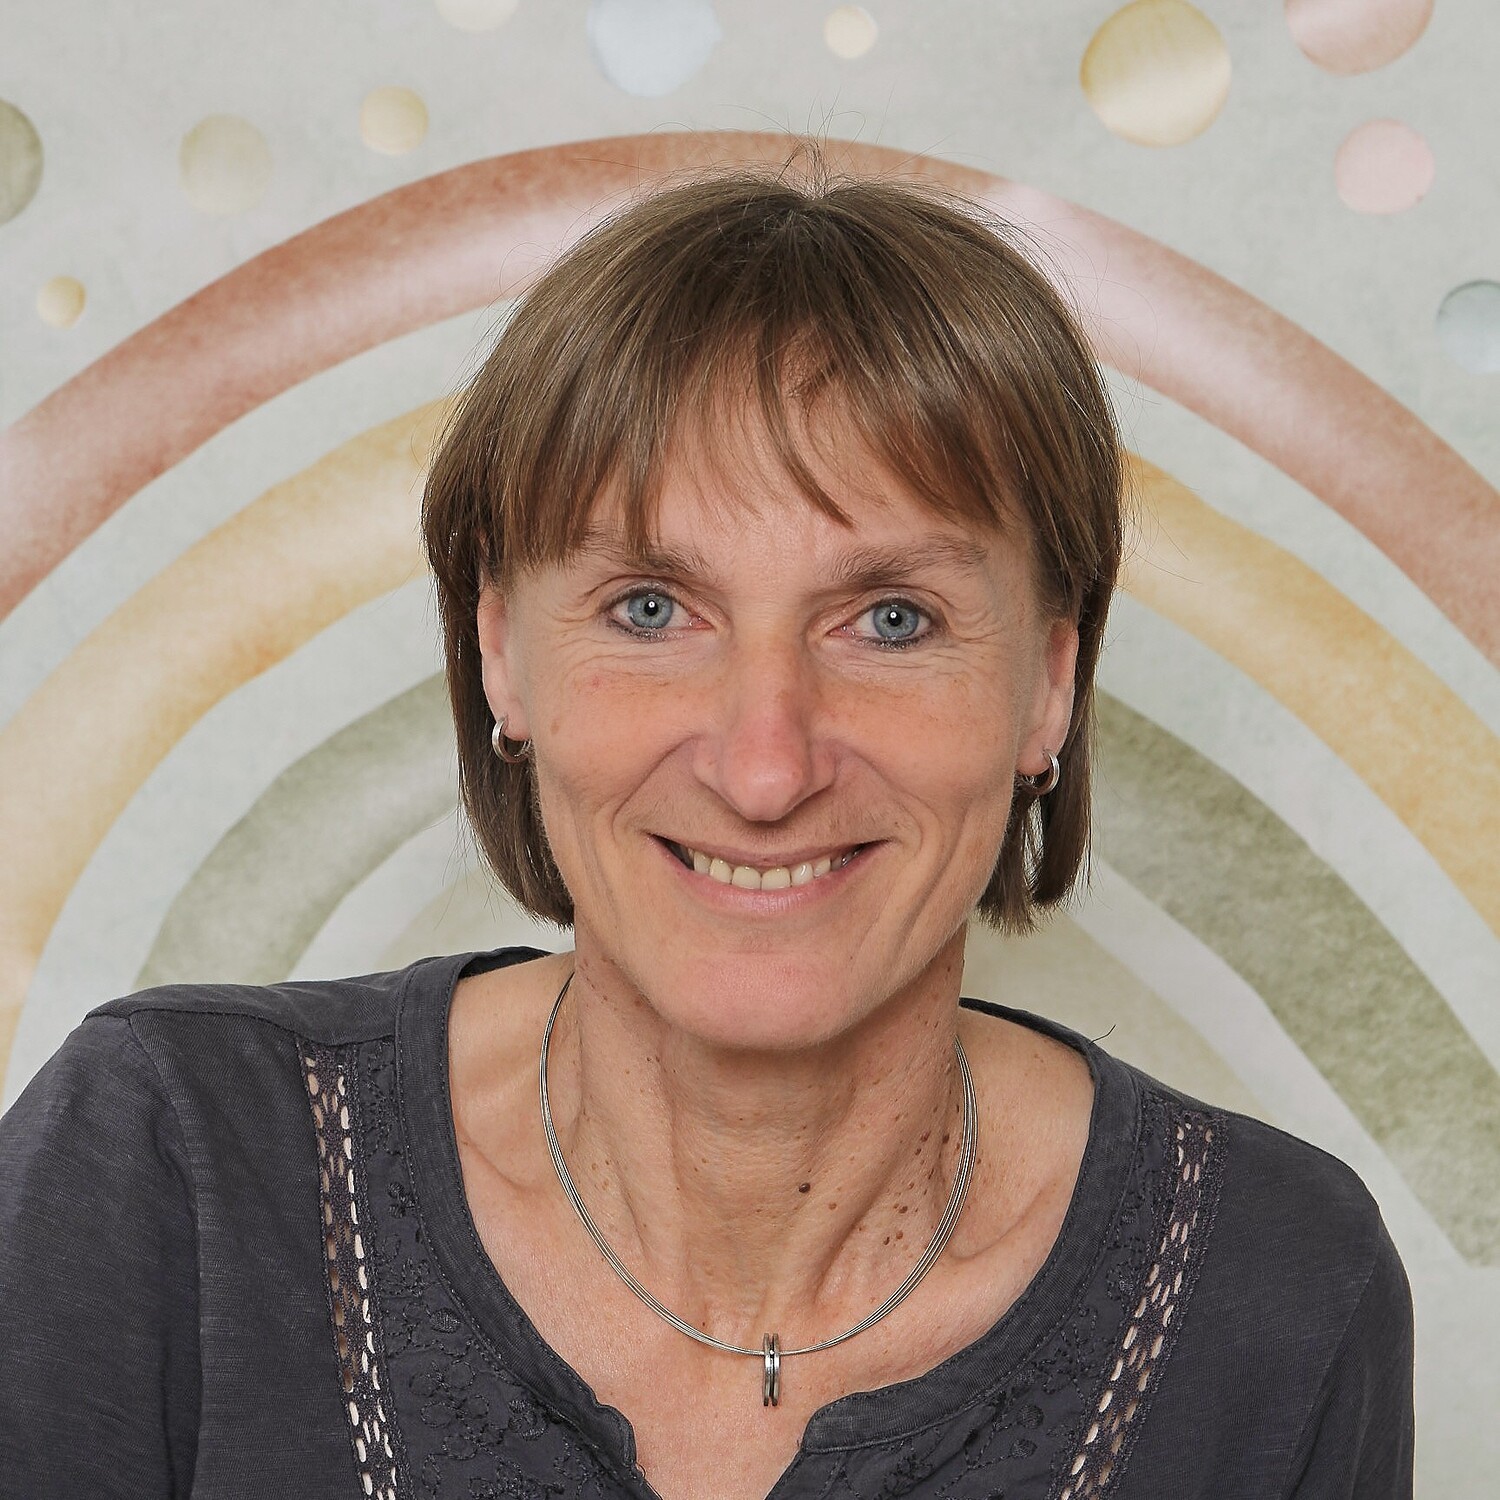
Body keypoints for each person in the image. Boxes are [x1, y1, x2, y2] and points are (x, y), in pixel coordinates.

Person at [0, 158, 1413, 1498]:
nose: (765, 765)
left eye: (891, 619)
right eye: (650, 609)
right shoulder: (167, 1173)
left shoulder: (1275, 1290)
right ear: (501, 653)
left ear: (1050, 683)